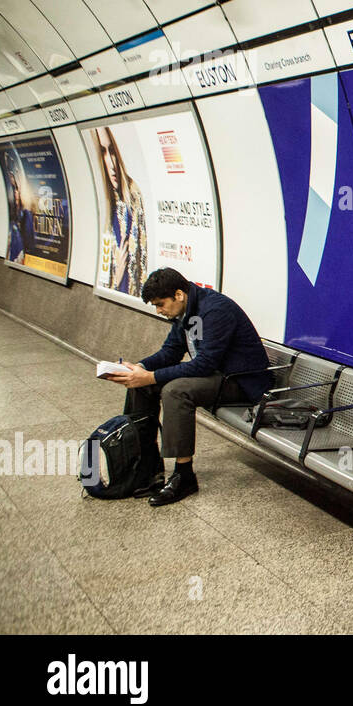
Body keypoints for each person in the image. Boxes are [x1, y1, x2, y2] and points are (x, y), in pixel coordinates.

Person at [107, 268, 272, 506]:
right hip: (216, 376)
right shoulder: (185, 312)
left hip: (240, 382)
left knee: (175, 391)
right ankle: (146, 468)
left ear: (179, 295)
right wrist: (139, 368)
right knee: (140, 385)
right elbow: (170, 352)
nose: (159, 311)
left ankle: (184, 476)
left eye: (161, 304)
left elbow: (205, 364)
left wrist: (151, 376)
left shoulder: (216, 310)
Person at [92, 126, 147, 297]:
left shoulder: (133, 197)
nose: (111, 162)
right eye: (103, 152)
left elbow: (142, 263)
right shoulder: (102, 206)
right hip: (114, 292)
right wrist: (115, 279)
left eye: (112, 151)